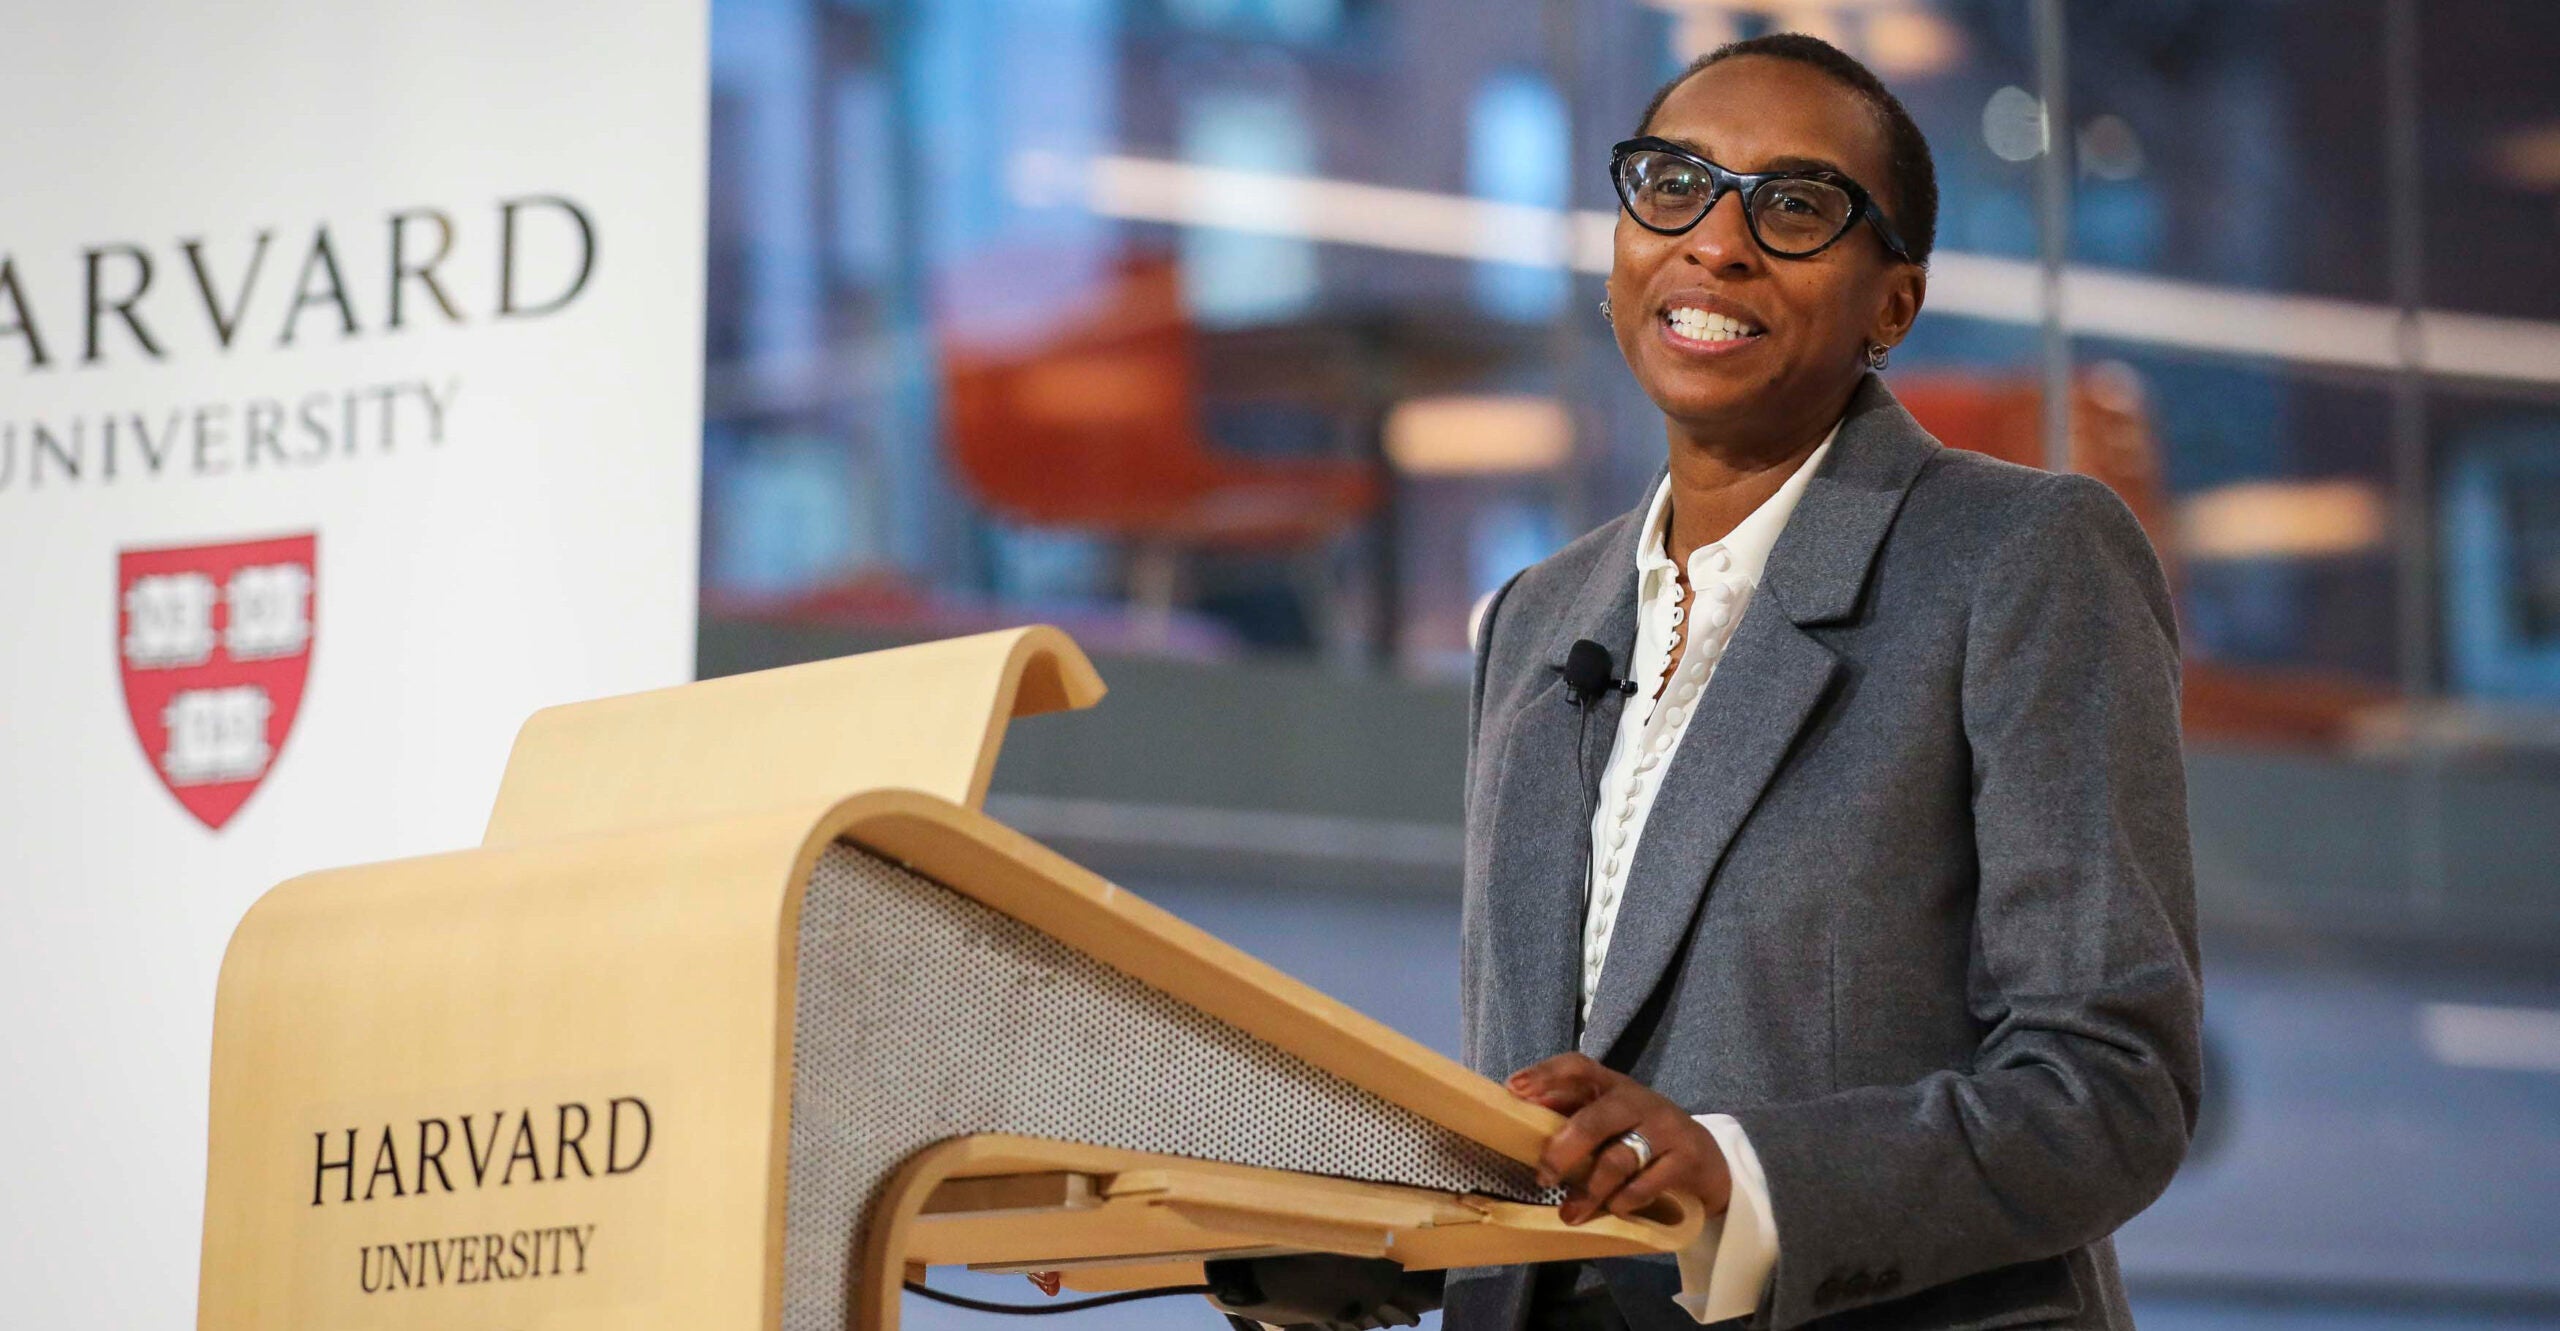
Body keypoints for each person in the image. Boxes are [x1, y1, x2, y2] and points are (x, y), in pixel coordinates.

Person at [1213, 28, 2201, 1331]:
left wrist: (1742, 1177)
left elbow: (2111, 1087)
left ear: (1893, 305)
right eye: (1674, 186)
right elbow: (1552, 1114)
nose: (1716, 243)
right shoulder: (1536, 618)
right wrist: (1391, 1236)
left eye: (1794, 208)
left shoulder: (2020, 557)